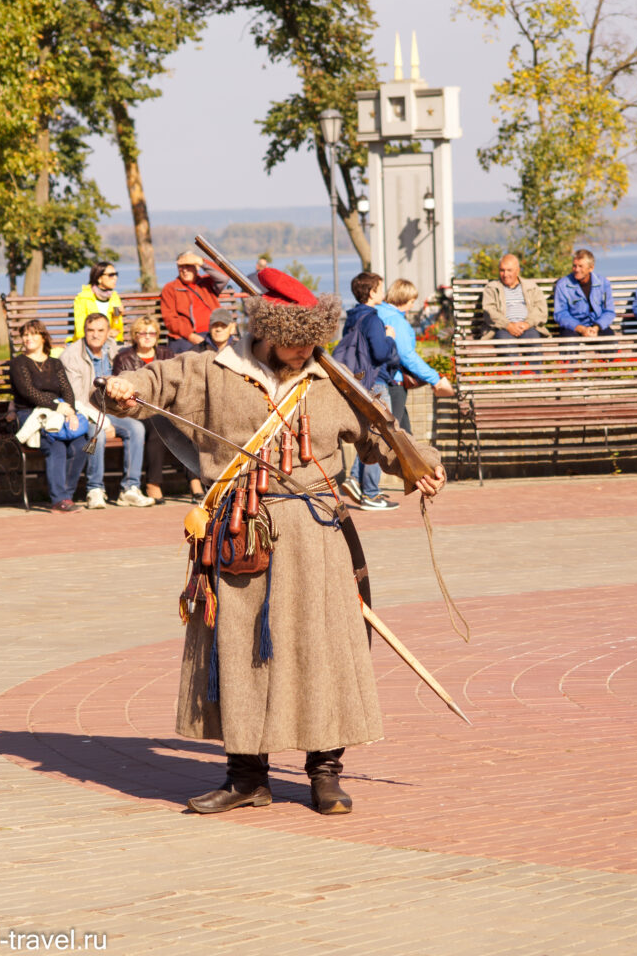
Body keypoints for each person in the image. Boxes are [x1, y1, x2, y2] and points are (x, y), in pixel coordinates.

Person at [100, 268, 445, 817]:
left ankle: (325, 773)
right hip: (241, 532)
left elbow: (383, 435)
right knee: (239, 652)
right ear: (265, 330)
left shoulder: (332, 378)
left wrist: (421, 465)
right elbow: (152, 383)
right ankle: (246, 778)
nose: (303, 348)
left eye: (312, 339)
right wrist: (123, 387)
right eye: (294, 338)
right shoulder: (213, 369)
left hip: (317, 536)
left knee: (322, 649)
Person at [61, 313, 154, 509]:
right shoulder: (71, 356)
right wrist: (104, 421)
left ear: (108, 332)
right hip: (86, 412)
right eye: (91, 330)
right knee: (98, 435)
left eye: (100, 330)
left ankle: (130, 489)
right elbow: (77, 399)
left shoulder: (114, 349)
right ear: (84, 332)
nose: (95, 335)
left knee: (136, 428)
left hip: (111, 410)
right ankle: (94, 489)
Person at [113, 315, 205, 504]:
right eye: (142, 333)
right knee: (159, 427)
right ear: (134, 336)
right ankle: (154, 483)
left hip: (167, 408)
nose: (147, 337)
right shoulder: (123, 358)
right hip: (137, 411)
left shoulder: (166, 354)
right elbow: (120, 390)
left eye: (152, 333)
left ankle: (196, 481)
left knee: (186, 424)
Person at [338, 272, 400, 511]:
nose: (383, 292)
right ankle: (371, 494)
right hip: (376, 383)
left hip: (359, 383)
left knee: (370, 435)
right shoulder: (373, 319)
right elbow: (381, 353)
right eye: (380, 288)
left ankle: (355, 479)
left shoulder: (353, 317)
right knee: (382, 436)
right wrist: (390, 338)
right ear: (372, 292)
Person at [10, 320, 87, 512]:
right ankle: (58, 499)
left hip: (60, 412)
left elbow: (67, 390)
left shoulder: (55, 362)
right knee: (56, 444)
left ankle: (65, 496)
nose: (28, 338)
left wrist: (69, 411)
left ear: (43, 337)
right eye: (25, 335)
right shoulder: (19, 363)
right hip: (31, 413)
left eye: (33, 334)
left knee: (81, 444)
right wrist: (56, 407)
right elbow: (28, 392)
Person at [376, 279, 454, 433]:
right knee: (392, 436)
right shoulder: (396, 320)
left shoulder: (379, 312)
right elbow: (407, 356)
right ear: (403, 299)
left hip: (381, 378)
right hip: (394, 382)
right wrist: (435, 379)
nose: (412, 305)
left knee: (405, 434)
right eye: (411, 301)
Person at [160, 251, 229, 354]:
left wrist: (201, 261)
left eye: (188, 266)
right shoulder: (170, 288)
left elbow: (224, 277)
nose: (185, 270)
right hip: (185, 337)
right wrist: (190, 335)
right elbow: (170, 319)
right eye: (181, 267)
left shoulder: (207, 283)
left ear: (197, 267)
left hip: (213, 332)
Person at [482, 254, 549, 340]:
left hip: (528, 328)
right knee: (507, 347)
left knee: (533, 345)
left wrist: (527, 324)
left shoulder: (531, 287)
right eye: (502, 270)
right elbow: (489, 311)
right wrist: (508, 325)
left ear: (517, 271)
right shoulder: (492, 288)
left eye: (509, 270)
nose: (505, 274)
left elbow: (541, 310)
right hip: (502, 329)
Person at [553, 249, 616, 338]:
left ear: (591, 268)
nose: (577, 269)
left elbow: (609, 311)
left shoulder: (603, 283)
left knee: (610, 339)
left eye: (581, 266)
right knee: (568, 342)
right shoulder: (563, 285)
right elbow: (560, 313)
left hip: (597, 327)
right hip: (572, 328)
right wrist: (581, 329)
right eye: (574, 266)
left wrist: (596, 328)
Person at [73, 261, 124, 342]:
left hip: (111, 343)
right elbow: (80, 331)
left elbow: (117, 330)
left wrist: (116, 316)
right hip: (88, 343)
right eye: (111, 275)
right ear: (99, 278)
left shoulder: (114, 298)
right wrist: (105, 334)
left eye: (116, 274)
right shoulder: (83, 298)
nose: (115, 278)